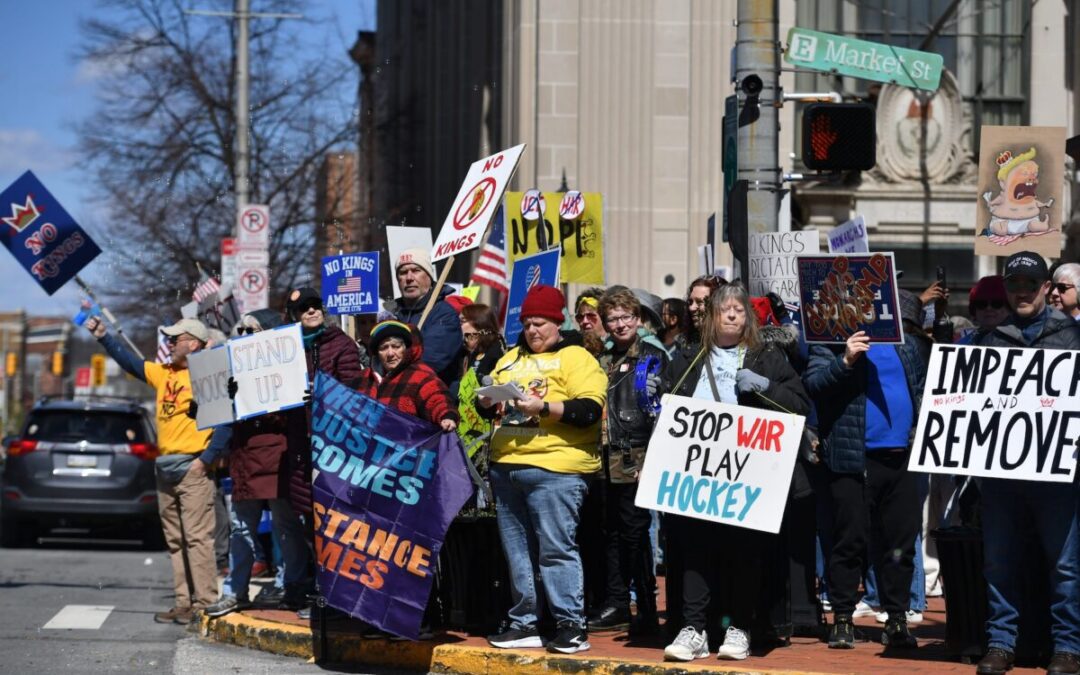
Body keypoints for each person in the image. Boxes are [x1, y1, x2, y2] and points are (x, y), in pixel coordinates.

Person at [661, 283, 810, 662]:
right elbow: (670, 406)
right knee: (695, 553)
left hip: (748, 478)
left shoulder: (766, 356)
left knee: (743, 555)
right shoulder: (691, 356)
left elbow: (798, 406)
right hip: (698, 476)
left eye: (738, 311)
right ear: (710, 316)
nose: (731, 315)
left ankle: (739, 628)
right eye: (724, 309)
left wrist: (763, 388)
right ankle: (693, 629)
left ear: (748, 319)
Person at [479, 285, 607, 655]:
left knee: (555, 549)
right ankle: (525, 622)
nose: (533, 331)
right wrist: (489, 401)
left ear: (557, 322)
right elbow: (491, 409)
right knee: (517, 552)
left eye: (541, 324)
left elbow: (588, 411)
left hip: (557, 468)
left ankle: (570, 624)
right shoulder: (509, 359)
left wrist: (544, 408)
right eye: (528, 324)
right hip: (508, 467)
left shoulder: (576, 357)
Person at [972, 252, 1080, 675]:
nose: (1021, 291)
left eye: (1030, 284)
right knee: (998, 560)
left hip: (1058, 473)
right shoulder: (988, 340)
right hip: (1001, 474)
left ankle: (1068, 648)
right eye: (1014, 284)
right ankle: (1000, 643)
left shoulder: (1072, 338)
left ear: (1046, 289)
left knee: (1066, 565)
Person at [804, 290, 930, 652]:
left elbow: (920, 392)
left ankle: (896, 619)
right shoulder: (829, 341)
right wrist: (844, 359)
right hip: (853, 460)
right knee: (850, 540)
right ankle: (842, 618)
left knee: (899, 546)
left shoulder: (904, 344)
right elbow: (814, 385)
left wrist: (920, 434)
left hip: (901, 459)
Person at [83, 316, 230, 624]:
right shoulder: (163, 373)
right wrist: (103, 337)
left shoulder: (210, 375)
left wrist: (205, 459)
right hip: (165, 468)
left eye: (175, 339)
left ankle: (204, 603)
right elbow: (131, 363)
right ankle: (183, 602)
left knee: (197, 539)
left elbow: (226, 422)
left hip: (192, 468)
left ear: (193, 343)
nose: (170, 343)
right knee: (175, 541)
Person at [205, 309, 312, 617]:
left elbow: (294, 415)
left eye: (251, 329)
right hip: (245, 459)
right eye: (241, 330)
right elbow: (219, 416)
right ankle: (235, 591)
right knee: (241, 529)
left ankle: (291, 586)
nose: (243, 335)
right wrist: (211, 404)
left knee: (286, 528)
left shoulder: (290, 367)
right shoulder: (233, 369)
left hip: (279, 457)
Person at [587, 289, 669, 635]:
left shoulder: (648, 356)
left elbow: (653, 408)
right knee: (610, 532)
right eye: (613, 319)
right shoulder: (601, 357)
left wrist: (651, 455)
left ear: (638, 319)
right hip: (602, 455)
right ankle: (618, 602)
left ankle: (646, 608)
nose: (620, 325)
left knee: (635, 534)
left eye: (626, 317)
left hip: (633, 454)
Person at [281, 287, 362, 617]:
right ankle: (322, 591)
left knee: (338, 523)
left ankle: (341, 596)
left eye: (315, 306)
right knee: (311, 524)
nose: (312, 312)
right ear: (294, 316)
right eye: (304, 309)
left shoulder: (339, 343)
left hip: (334, 447)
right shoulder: (283, 349)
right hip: (301, 447)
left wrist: (323, 394)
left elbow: (354, 389)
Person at [357, 320, 459, 431]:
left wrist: (446, 416)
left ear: (405, 348)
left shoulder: (421, 376)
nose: (390, 353)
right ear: (377, 352)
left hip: (405, 444)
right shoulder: (363, 378)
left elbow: (436, 398)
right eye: (384, 348)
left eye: (396, 346)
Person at [389, 248, 464, 385]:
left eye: (416, 270)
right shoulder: (393, 317)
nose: (409, 278)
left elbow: (430, 361)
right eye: (403, 272)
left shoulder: (444, 314)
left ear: (429, 276)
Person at [454, 304, 506, 460]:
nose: (460, 324)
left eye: (463, 320)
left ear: (479, 324)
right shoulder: (472, 353)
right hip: (467, 426)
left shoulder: (497, 351)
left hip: (485, 431)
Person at [574, 287, 607, 355]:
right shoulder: (573, 348)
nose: (584, 321)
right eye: (580, 317)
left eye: (591, 315)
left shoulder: (617, 347)